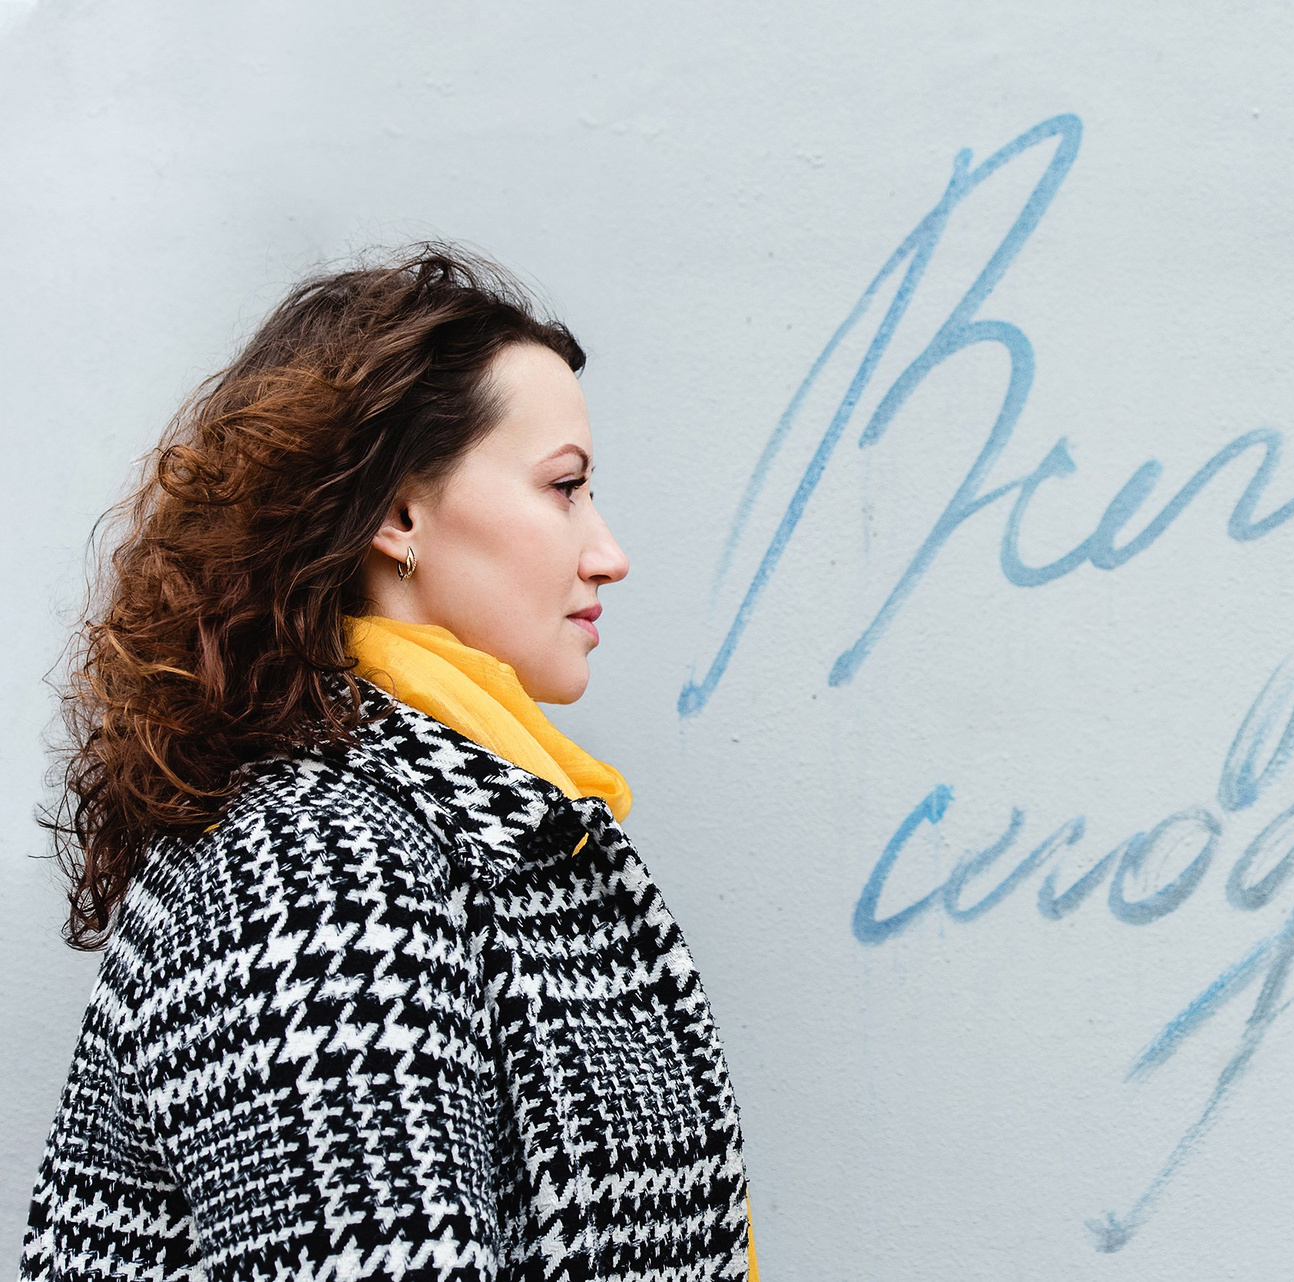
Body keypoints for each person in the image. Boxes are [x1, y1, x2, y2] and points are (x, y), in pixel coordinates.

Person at [18, 245, 759, 1280]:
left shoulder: (452, 821)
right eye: (565, 488)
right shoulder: (315, 869)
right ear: (398, 515)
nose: (609, 554)